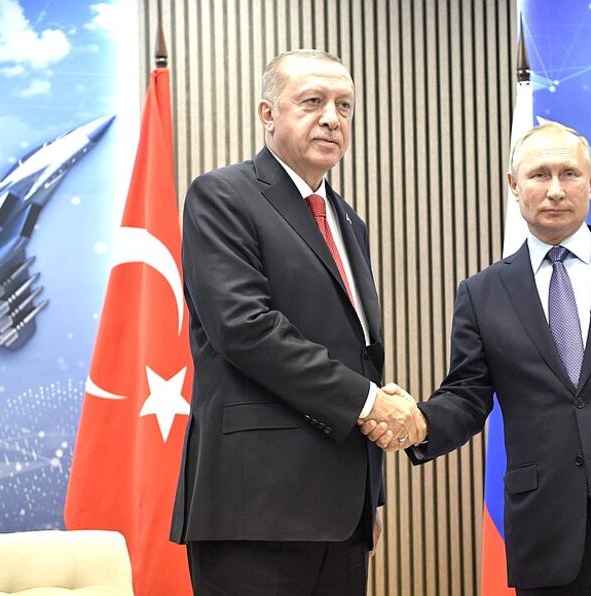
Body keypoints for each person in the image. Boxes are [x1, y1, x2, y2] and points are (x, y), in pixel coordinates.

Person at [363, 122, 591, 595]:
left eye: (569, 174)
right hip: (546, 537)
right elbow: (468, 396)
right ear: (514, 185)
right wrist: (420, 422)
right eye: (539, 174)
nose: (555, 189)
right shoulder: (483, 293)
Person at [171, 49, 421, 595]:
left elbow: (357, 350)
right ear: (268, 113)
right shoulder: (222, 196)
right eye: (312, 101)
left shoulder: (348, 220)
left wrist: (370, 497)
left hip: (342, 515)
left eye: (345, 106)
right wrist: (371, 402)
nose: (332, 118)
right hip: (254, 509)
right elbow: (246, 327)